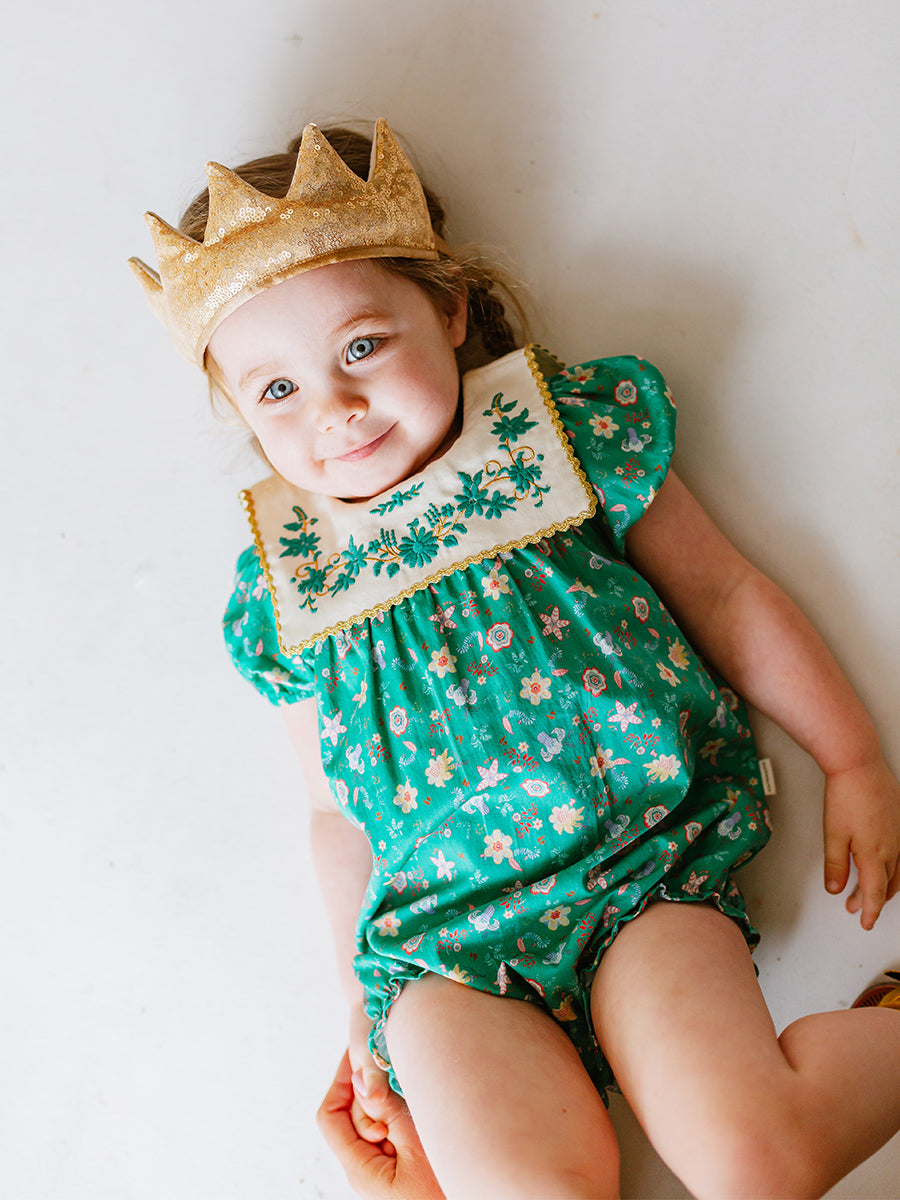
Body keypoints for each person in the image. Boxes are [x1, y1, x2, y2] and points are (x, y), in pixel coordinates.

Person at [131, 119, 900, 1199]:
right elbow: (332, 811)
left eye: (362, 346)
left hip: (638, 877)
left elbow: (727, 595)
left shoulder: (559, 441)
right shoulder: (289, 578)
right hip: (443, 953)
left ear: (449, 310)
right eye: (276, 391)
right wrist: (358, 1005)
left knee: (752, 1164)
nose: (334, 408)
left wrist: (852, 755)